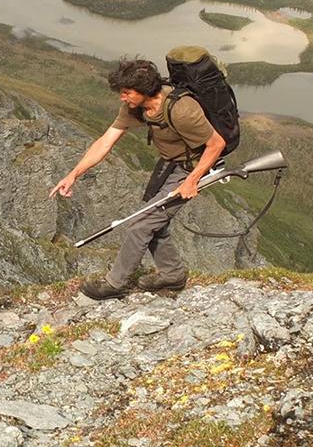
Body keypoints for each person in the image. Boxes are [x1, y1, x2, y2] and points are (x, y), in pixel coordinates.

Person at [50, 59, 225, 300]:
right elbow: (105, 142)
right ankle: (173, 275)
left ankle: (115, 284)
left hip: (192, 168)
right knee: (154, 221)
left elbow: (216, 144)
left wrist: (192, 180)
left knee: (140, 224)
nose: (122, 98)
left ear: (144, 90)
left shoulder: (182, 110)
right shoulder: (135, 108)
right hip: (169, 165)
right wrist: (73, 174)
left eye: (126, 92)